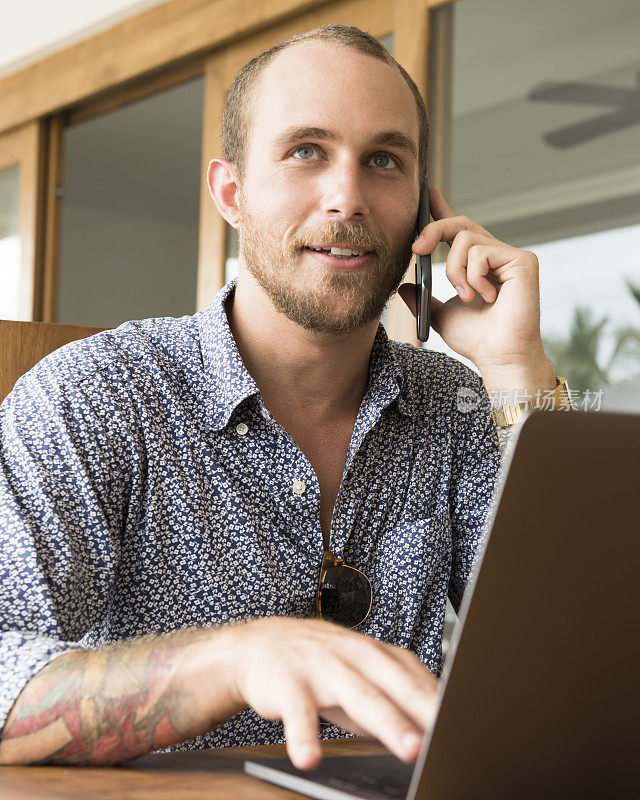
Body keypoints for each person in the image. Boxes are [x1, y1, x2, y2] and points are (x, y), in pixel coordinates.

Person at [0, 25, 570, 771]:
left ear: (423, 213)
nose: (348, 196)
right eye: (307, 150)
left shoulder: (455, 402)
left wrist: (515, 364)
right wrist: (238, 660)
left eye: (383, 160)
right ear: (231, 193)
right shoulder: (95, 394)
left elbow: (573, 658)